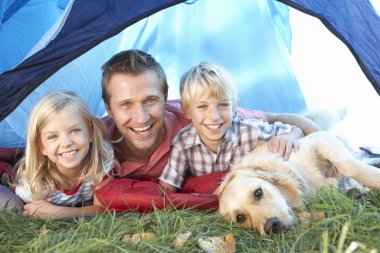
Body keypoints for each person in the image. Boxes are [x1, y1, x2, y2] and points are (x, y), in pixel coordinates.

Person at [101, 49, 319, 181]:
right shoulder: (91, 141)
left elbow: (277, 118)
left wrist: (316, 136)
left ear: (165, 97)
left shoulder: (199, 116)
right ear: (109, 108)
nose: (141, 117)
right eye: (126, 104)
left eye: (150, 101)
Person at [159, 62, 303, 191]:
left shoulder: (249, 131)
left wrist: (287, 138)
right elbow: (167, 187)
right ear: (187, 111)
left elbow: (296, 130)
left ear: (234, 107)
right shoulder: (183, 143)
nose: (214, 116)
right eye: (202, 106)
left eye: (223, 105)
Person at [0, 91, 114, 219]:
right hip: (19, 176)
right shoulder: (35, 184)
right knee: (10, 201)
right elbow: (32, 210)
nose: (66, 143)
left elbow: (102, 209)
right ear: (41, 146)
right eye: (53, 136)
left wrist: (56, 212)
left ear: (90, 132)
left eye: (75, 130)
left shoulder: (102, 157)